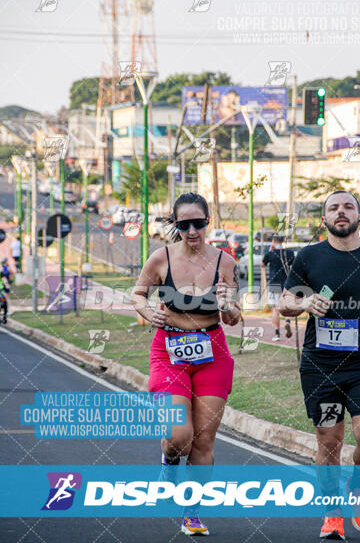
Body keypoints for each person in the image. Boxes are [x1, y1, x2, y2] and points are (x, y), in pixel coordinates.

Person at [280, 190, 360, 540]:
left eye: (348, 206)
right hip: (322, 367)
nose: (341, 212)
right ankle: (332, 512)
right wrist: (305, 303)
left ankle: (357, 486)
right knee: (329, 441)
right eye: (333, 208)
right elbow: (286, 300)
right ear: (324, 219)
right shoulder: (310, 256)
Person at [132, 192, 241, 536]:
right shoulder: (160, 258)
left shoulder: (224, 262)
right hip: (169, 352)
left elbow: (235, 318)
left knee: (204, 440)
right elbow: (138, 293)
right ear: (175, 225)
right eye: (184, 224)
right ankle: (169, 461)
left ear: (208, 222)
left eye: (199, 223)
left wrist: (228, 306)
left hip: (213, 353)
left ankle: (191, 511)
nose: (192, 231)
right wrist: (147, 310)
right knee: (179, 436)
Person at [261, 234, 294, 341]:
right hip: (287, 284)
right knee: (288, 307)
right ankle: (288, 321)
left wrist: (270, 251)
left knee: (276, 309)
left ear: (274, 241)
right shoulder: (289, 253)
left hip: (274, 284)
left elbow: (262, 264)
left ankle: (277, 334)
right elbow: (294, 265)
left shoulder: (271, 254)